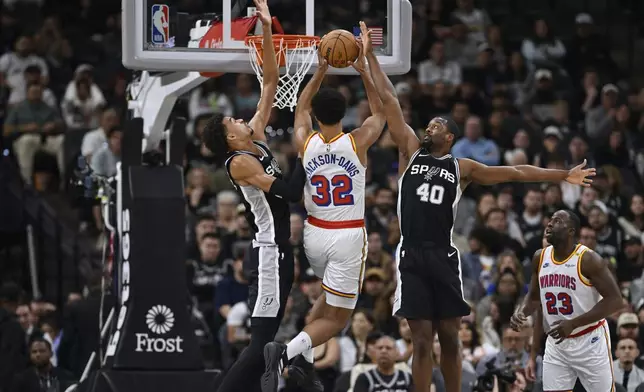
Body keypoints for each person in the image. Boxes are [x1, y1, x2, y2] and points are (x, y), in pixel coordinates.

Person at [360, 21, 596, 392]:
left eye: (437, 125)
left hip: (443, 254)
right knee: (421, 341)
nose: (429, 127)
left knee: (451, 339)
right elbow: (389, 100)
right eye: (430, 123)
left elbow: (515, 172)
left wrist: (562, 174)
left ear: (449, 137)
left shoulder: (461, 167)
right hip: (411, 255)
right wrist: (369, 57)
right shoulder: (408, 151)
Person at [261, 28, 386, 392]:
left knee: (325, 305)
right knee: (339, 320)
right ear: (345, 114)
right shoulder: (358, 140)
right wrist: (362, 67)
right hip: (347, 234)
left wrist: (319, 69)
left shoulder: (305, 140)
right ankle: (283, 354)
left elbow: (299, 106)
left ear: (315, 115)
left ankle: (306, 367)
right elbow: (379, 112)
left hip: (314, 234)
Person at [200, 1, 306, 391]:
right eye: (234, 120)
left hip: (279, 251)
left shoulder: (256, 138)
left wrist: (265, 28)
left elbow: (271, 85)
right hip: (267, 254)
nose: (241, 118)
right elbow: (292, 192)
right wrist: (307, 150)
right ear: (231, 137)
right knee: (261, 342)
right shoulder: (241, 163)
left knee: (268, 341)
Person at [511, 210, 623, 392]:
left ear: (571, 231)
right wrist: (521, 312)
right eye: (550, 220)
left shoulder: (588, 259)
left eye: (557, 221)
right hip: (557, 342)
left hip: (590, 340)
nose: (549, 224)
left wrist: (573, 324)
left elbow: (616, 301)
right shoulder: (540, 257)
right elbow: (533, 298)